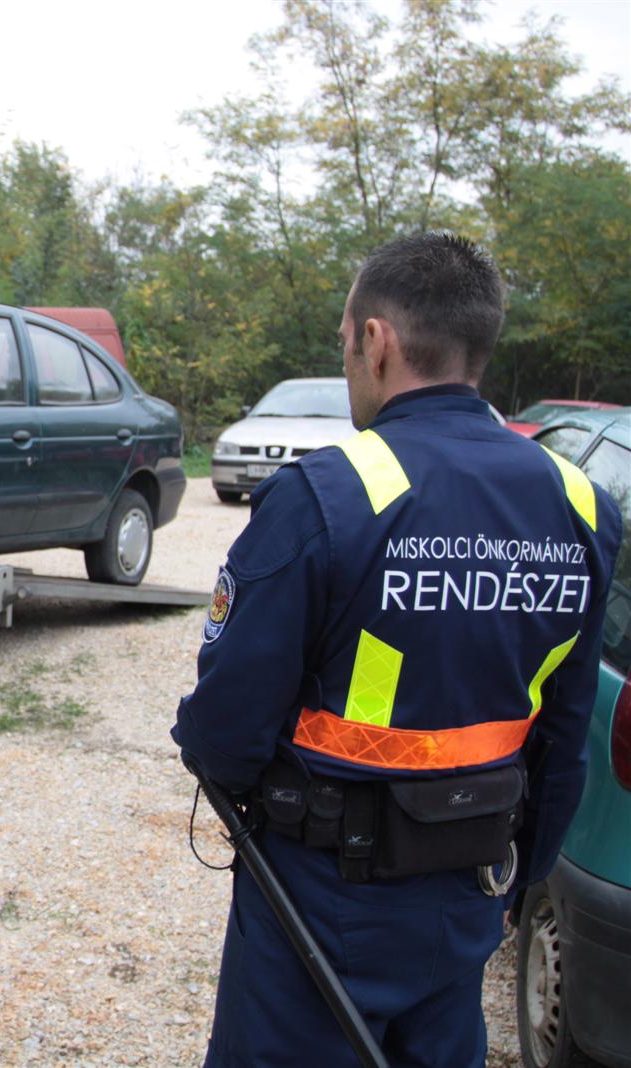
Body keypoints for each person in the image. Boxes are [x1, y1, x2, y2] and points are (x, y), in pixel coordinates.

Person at [173, 232, 622, 1067]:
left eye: (346, 341)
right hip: (470, 889)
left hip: (318, 896)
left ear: (375, 341)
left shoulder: (327, 495)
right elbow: (563, 741)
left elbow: (224, 726)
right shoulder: (583, 505)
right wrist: (516, 881)